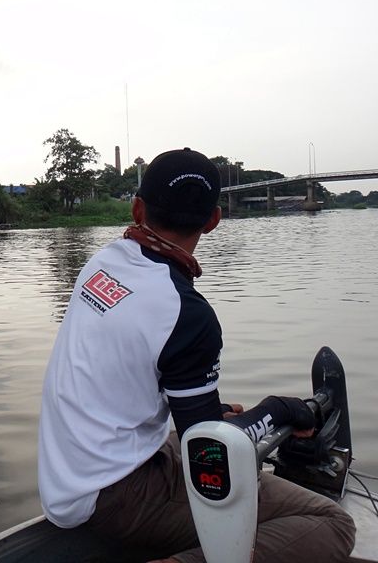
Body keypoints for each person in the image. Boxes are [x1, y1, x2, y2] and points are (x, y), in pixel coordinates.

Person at [37, 148, 356, 562]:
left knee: (213, 426)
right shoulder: (186, 314)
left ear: (137, 209)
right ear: (213, 220)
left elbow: (159, 398)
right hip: (111, 495)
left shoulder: (101, 265)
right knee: (331, 523)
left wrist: (216, 414)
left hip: (67, 477)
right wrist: (280, 410)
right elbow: (209, 453)